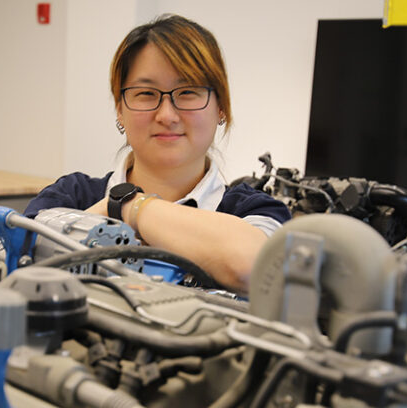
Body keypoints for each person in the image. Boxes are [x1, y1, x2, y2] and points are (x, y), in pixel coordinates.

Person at [25, 14, 291, 293]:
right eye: (146, 94)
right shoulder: (72, 196)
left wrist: (128, 206)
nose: (167, 115)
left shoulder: (254, 212)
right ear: (120, 109)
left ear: (221, 106)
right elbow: (11, 260)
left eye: (188, 92)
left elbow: (255, 268)